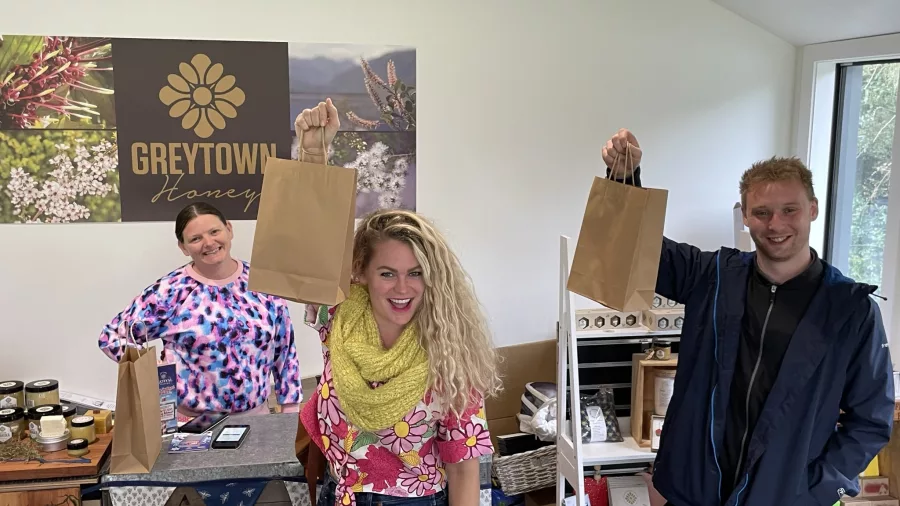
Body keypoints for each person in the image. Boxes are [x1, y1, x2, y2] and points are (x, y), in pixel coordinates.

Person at [600, 129, 895, 506]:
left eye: (790, 210)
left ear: (813, 209)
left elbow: (870, 420)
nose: (776, 225)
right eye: (762, 212)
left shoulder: (849, 310)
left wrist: (817, 488)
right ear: (745, 216)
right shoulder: (712, 276)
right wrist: (625, 180)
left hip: (781, 499)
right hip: (692, 493)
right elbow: (638, 250)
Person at [296, 99, 502, 506]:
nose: (402, 287)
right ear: (361, 272)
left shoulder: (450, 353)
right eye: (387, 273)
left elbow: (464, 470)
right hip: (340, 495)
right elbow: (314, 243)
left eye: (416, 273)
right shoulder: (340, 318)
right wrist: (315, 154)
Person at [98, 202, 302, 418]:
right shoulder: (170, 292)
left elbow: (284, 349)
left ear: (229, 229)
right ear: (183, 247)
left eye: (214, 232)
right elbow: (111, 337)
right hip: (193, 425)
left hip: (258, 418)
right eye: (196, 239)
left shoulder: (262, 283)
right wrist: (154, 369)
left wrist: (290, 409)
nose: (209, 243)